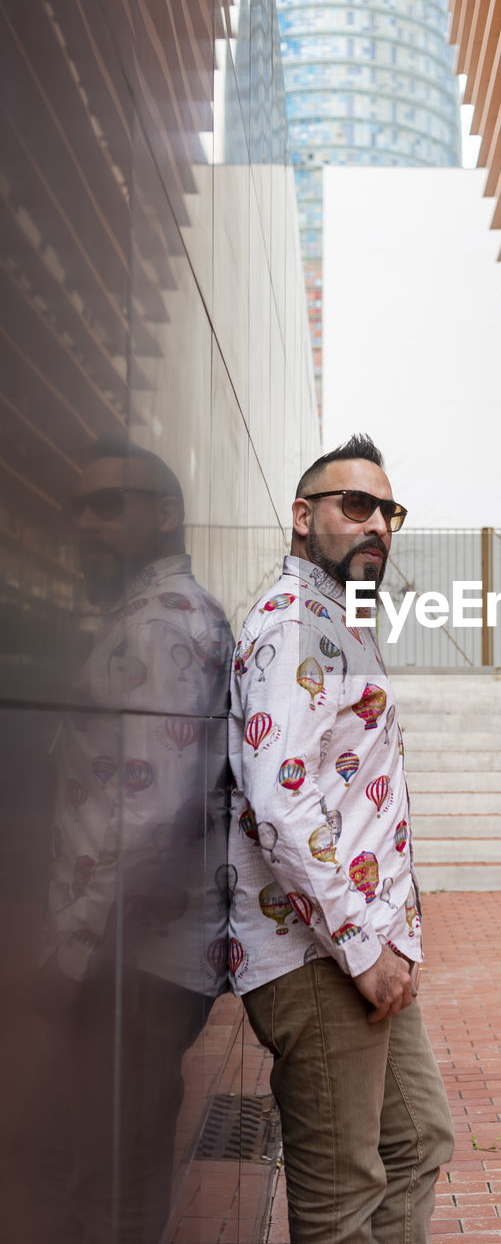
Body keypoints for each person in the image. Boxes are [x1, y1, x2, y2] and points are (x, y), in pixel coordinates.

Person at [228, 434, 454, 1243]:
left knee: (418, 1140)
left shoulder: (339, 620)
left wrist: (390, 939)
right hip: (319, 957)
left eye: (387, 511)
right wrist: (366, 950)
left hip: (360, 950)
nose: (377, 526)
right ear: (302, 516)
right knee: (341, 1204)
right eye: (354, 505)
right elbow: (280, 806)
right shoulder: (293, 626)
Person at [33, 437, 232, 1243]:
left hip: (131, 959)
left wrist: (74, 952)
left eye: (110, 504)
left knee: (110, 1190)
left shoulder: (157, 625)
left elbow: (154, 810)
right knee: (114, 1177)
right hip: (140, 952)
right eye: (80, 506)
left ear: (165, 515)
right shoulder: (161, 615)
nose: (87, 521)